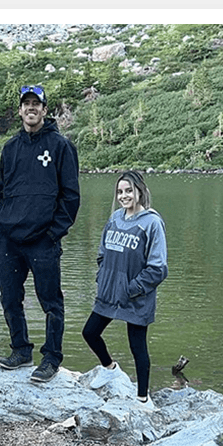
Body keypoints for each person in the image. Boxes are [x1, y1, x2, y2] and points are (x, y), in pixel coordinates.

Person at [0, 85, 80, 383]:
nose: (31, 108)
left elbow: (70, 197)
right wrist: (0, 224)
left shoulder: (60, 146)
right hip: (11, 240)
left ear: (44, 110)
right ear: (19, 110)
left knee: (51, 301)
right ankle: (21, 350)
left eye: (36, 104)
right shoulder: (10, 148)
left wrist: (53, 232)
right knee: (9, 298)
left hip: (44, 241)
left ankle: (51, 358)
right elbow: (2, 192)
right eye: (26, 104)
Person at [82, 170, 168, 408]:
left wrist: (132, 288)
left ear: (140, 191)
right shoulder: (115, 219)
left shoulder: (152, 223)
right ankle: (110, 368)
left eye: (128, 190)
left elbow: (158, 267)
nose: (124, 195)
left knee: (137, 346)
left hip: (136, 296)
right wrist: (104, 277)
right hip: (109, 292)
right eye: (120, 191)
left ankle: (143, 399)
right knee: (90, 332)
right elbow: (102, 254)